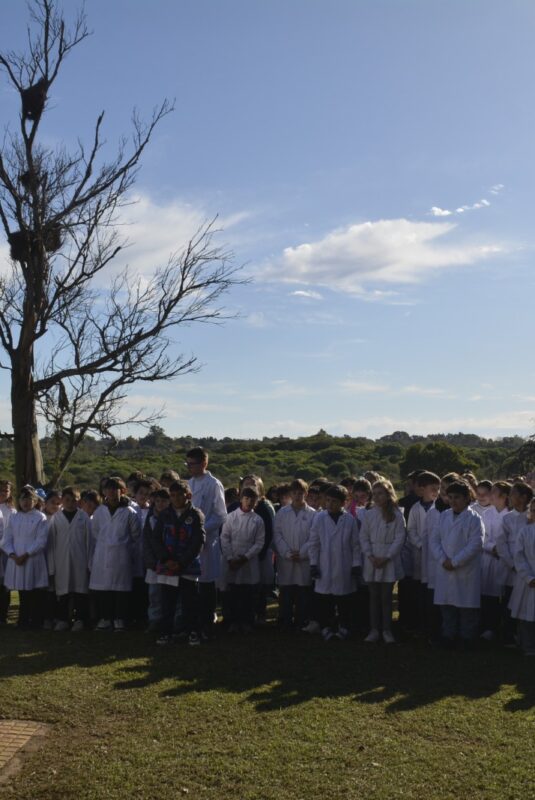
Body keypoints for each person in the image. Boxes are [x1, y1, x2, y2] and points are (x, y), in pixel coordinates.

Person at [150, 480, 205, 646]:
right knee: (168, 602)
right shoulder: (165, 515)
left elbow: (198, 541)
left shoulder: (195, 515)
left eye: (178, 495)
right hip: (167, 565)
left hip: (187, 566)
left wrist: (181, 562)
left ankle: (193, 632)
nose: (175, 499)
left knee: (190, 603)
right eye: (172, 496)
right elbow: (156, 539)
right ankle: (166, 633)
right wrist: (166, 559)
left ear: (188, 496)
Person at [430, 480, 484, 648]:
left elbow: (475, 544)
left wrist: (455, 562)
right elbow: (434, 540)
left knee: (466, 608)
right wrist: (442, 559)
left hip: (465, 569)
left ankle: (466, 638)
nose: (453, 501)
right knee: (447, 606)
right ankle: (448, 636)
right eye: (450, 497)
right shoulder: (443, 516)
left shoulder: (474, 519)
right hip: (445, 567)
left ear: (467, 498)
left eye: (457, 497)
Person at [308, 484, 361, 642]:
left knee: (343, 599)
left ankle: (344, 627)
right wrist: (313, 564)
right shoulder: (319, 518)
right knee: (324, 600)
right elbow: (313, 543)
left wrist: (356, 564)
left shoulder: (350, 520)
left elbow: (355, 545)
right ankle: (325, 627)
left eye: (334, 501)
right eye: (328, 500)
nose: (330, 504)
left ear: (344, 503)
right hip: (324, 564)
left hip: (343, 564)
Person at [89, 477, 141, 631]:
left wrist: (122, 546)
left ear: (122, 491)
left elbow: (136, 534)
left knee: (120, 590)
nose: (111, 492)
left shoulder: (130, 512)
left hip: (121, 554)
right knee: (105, 589)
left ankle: (119, 618)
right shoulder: (100, 511)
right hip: (103, 554)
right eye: (108, 489)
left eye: (115, 489)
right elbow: (95, 532)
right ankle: (106, 618)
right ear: (104, 492)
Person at [186, 447, 227, 638]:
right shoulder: (189, 484)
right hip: (189, 540)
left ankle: (208, 619)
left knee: (207, 583)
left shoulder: (214, 484)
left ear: (204, 463)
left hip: (207, 540)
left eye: (192, 464)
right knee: (192, 583)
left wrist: (201, 529)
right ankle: (194, 620)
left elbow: (220, 515)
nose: (189, 468)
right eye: (187, 464)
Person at [360, 479, 406, 644]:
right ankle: (374, 629)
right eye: (375, 494)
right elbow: (363, 536)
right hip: (372, 558)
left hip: (388, 560)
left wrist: (387, 557)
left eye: (381, 493)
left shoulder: (396, 514)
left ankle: (387, 630)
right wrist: (370, 556)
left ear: (388, 494)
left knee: (386, 597)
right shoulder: (369, 514)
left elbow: (400, 538)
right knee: (374, 596)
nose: (377, 497)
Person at [1, 485, 49, 629]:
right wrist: (12, 554)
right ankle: (22, 619)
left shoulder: (40, 517)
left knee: (33, 590)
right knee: (21, 591)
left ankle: (35, 620)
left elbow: (41, 540)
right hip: (16, 559)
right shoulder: (14, 517)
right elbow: (6, 539)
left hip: (32, 558)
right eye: (23, 499)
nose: (26, 502)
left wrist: (27, 554)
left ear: (35, 501)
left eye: (29, 499)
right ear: (19, 501)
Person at [220, 486, 265, 633]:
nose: (249, 502)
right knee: (232, 593)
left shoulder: (258, 520)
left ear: (256, 502)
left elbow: (259, 542)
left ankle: (246, 621)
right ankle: (231, 621)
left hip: (248, 562)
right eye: (246, 499)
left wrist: (245, 557)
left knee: (247, 594)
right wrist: (230, 558)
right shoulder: (231, 517)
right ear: (241, 499)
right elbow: (224, 537)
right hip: (232, 561)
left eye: (253, 500)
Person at [48, 487, 92, 631]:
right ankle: (63, 620)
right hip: (61, 561)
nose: (71, 503)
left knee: (80, 592)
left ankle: (80, 620)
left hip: (80, 560)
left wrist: (89, 563)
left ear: (79, 501)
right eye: (67, 500)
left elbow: (89, 542)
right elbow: (51, 544)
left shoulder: (83, 517)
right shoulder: (56, 518)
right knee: (63, 592)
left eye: (74, 500)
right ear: (62, 500)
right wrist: (52, 567)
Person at [273, 479, 315, 629]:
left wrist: (302, 553)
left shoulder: (313, 514)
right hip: (287, 559)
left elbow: (314, 537)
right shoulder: (282, 513)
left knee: (303, 590)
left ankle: (301, 619)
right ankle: (285, 619)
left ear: (306, 493)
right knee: (286, 590)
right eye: (294, 493)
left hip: (304, 559)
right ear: (290, 494)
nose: (297, 495)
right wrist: (286, 552)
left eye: (300, 493)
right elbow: (277, 534)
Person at [496, 481, 533, 645]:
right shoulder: (507, 518)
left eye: (513, 494)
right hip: (511, 567)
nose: (510, 497)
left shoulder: (531, 517)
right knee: (510, 602)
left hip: (530, 568)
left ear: (524, 497)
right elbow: (501, 544)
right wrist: (512, 564)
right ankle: (508, 634)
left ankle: (525, 637)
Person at [407, 471, 440, 633]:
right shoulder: (415, 508)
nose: (436, 491)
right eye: (432, 488)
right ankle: (421, 624)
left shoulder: (440, 509)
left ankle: (434, 625)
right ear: (421, 489)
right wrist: (420, 545)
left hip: (436, 556)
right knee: (421, 590)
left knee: (434, 590)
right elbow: (411, 530)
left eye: (437, 488)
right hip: (420, 554)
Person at [508, 498, 535, 656]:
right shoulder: (525, 531)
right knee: (526, 615)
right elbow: (519, 556)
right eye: (533, 510)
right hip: (527, 581)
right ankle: (528, 645)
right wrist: (528, 577)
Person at [0, 480, 16, 625]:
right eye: (2, 490)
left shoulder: (12, 510)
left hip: (6, 552)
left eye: (7, 490)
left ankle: (3, 616)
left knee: (6, 585)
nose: (4, 493)